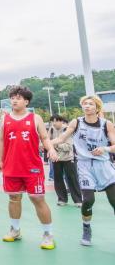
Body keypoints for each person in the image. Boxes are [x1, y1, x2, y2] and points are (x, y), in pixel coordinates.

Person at [0, 85, 58, 250]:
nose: (14, 101)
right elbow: (1, 140)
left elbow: (45, 138)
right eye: (12, 98)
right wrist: (0, 160)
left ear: (26, 101)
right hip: (11, 166)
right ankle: (15, 230)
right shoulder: (4, 119)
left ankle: (48, 234)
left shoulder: (35, 118)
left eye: (18, 98)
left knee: (37, 198)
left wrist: (51, 149)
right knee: (14, 198)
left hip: (32, 167)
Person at [50, 95, 115, 247]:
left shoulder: (106, 124)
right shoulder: (76, 122)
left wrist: (105, 149)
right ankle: (86, 228)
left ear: (97, 108)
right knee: (88, 200)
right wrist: (46, 143)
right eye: (84, 103)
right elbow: (61, 138)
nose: (87, 106)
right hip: (85, 166)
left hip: (104, 166)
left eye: (90, 104)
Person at [48, 114, 82, 207]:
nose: (54, 123)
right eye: (52, 121)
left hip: (68, 158)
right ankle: (62, 199)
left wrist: (56, 144)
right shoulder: (51, 129)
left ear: (61, 121)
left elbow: (68, 146)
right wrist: (52, 149)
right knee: (58, 179)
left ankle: (78, 200)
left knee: (72, 179)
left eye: (56, 121)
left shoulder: (67, 129)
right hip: (56, 158)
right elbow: (48, 142)